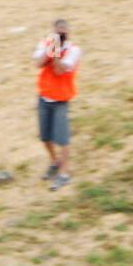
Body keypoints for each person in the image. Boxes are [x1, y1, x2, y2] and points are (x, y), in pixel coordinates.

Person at [33, 19, 81, 192]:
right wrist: (50, 50)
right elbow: (37, 63)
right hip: (44, 97)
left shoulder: (74, 50)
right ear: (54, 31)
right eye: (58, 29)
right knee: (45, 137)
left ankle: (64, 173)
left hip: (61, 100)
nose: (61, 31)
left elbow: (59, 70)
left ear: (68, 31)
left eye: (63, 29)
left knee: (62, 139)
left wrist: (55, 54)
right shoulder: (45, 44)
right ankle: (55, 162)